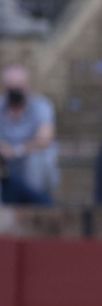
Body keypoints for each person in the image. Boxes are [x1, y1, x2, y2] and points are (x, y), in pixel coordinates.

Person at [0, 63, 56, 206]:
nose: (15, 91)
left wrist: (17, 150)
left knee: (37, 158)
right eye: (11, 87)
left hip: (32, 167)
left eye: (19, 86)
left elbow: (45, 139)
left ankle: (36, 206)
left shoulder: (41, 105)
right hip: (5, 166)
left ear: (27, 86)